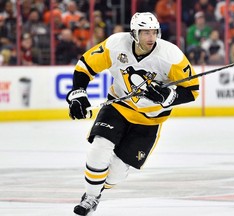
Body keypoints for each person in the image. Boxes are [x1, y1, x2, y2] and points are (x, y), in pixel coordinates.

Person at [66, 12, 199, 216]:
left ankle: (97, 190)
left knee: (117, 172)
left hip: (150, 119)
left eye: (154, 32)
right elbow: (85, 66)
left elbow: (192, 91)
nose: (150, 37)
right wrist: (78, 93)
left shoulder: (170, 55)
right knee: (100, 147)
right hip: (119, 106)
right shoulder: (116, 44)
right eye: (145, 32)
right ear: (134, 33)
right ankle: (90, 198)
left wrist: (166, 96)